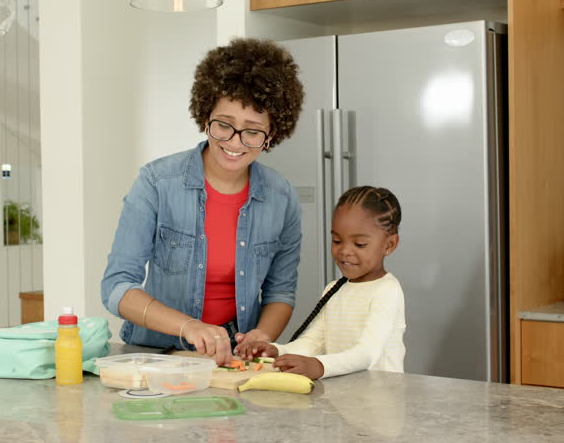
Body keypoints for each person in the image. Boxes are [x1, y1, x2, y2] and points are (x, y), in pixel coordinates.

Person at [100, 38, 305, 366]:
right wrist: (189, 327)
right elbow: (116, 287)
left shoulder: (281, 199)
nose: (235, 143)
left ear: (272, 135)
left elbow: (281, 293)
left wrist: (262, 335)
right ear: (205, 114)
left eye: (253, 132)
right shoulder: (156, 182)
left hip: (232, 363)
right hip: (156, 356)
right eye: (224, 125)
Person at [235, 186, 406, 379]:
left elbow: (367, 354)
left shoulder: (386, 290)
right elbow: (314, 341)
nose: (345, 251)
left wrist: (319, 366)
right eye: (337, 240)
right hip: (346, 397)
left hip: (380, 400)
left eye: (359, 244)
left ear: (389, 245)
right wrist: (276, 351)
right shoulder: (334, 289)